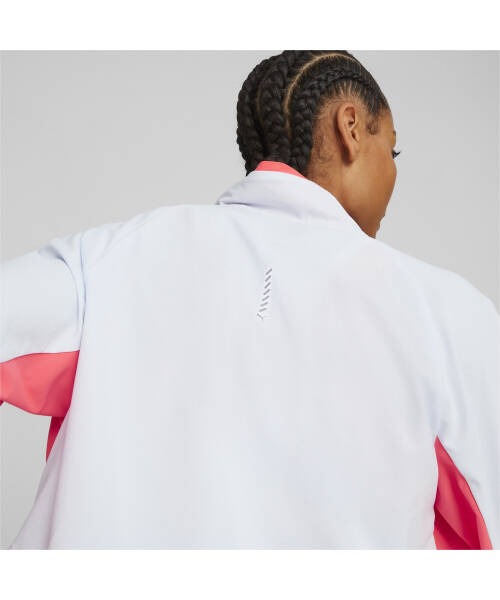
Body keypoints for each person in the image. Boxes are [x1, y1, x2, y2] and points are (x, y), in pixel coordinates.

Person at [1, 50, 498, 549]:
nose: (392, 172)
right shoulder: (447, 317)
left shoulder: (109, 260)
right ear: (350, 128)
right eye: (391, 150)